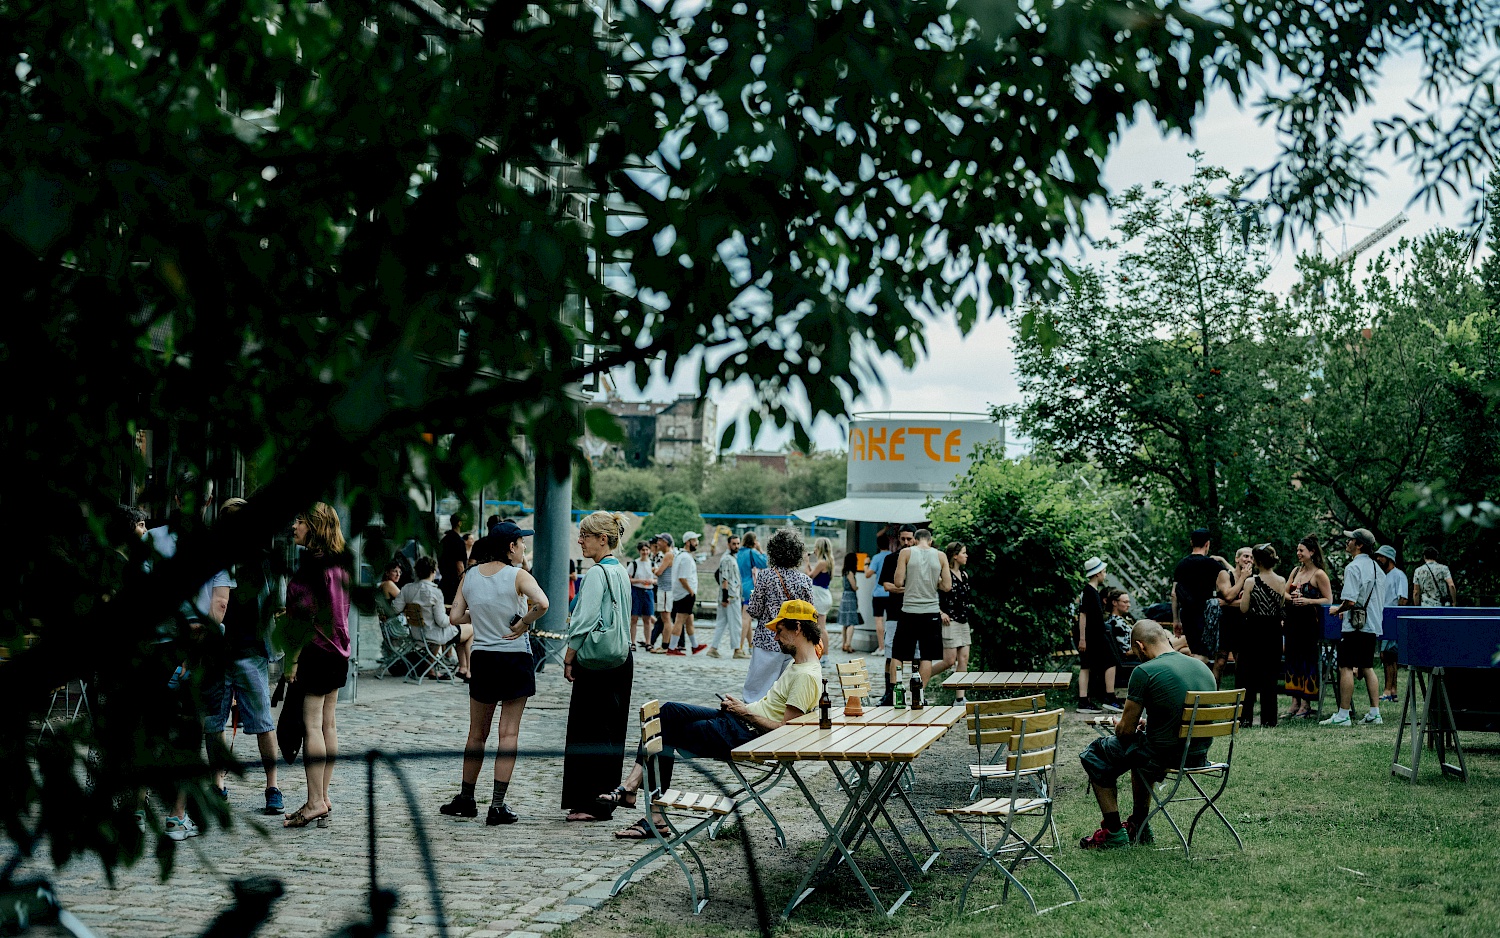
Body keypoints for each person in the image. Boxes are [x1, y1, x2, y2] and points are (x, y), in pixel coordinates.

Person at [608, 600, 823, 839]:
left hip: (745, 734)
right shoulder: (800, 665)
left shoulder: (805, 675)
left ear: (797, 628)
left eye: (780, 631)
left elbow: (786, 730)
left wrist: (744, 712)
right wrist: (741, 708)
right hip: (741, 721)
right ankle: (633, 789)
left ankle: (648, 808)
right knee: (667, 711)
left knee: (661, 731)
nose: (776, 638)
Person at [440, 521, 549, 824]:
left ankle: (466, 797)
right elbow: (542, 603)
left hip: (484, 658)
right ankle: (497, 806)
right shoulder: (518, 575)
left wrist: (481, 610)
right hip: (515, 658)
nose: (524, 548)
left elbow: (454, 616)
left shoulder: (471, 576)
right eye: (521, 543)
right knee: (508, 733)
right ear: (511, 546)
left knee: (477, 733)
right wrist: (523, 622)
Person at [1078, 621, 1217, 849]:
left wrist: (1120, 724)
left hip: (1164, 756)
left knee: (1095, 753)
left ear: (1141, 646)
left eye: (1135, 651)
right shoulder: (1201, 667)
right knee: (1139, 752)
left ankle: (1114, 833)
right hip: (1197, 754)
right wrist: (1150, 724)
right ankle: (1139, 826)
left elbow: (1124, 733)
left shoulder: (1145, 671)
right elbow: (1180, 713)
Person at [205, 497, 284, 816]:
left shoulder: (263, 560)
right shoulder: (212, 558)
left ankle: (272, 786)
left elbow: (277, 606)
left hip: (251, 652)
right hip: (218, 651)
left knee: (263, 722)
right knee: (214, 722)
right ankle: (218, 783)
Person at [281, 503, 351, 829]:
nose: (294, 526)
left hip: (317, 649)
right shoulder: (340, 565)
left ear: (314, 526)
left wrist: (291, 661)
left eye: (299, 521)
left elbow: (301, 618)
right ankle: (322, 797)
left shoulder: (312, 567)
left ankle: (314, 802)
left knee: (312, 725)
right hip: (338, 650)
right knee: (328, 724)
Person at [561, 512, 635, 822]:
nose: (579, 541)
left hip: (595, 660)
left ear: (602, 539)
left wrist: (568, 657)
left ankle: (589, 803)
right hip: (620, 657)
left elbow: (583, 620)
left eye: (584, 536)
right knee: (611, 731)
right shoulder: (621, 571)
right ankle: (605, 797)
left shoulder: (594, 574)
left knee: (586, 729)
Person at [1321, 528, 1387, 727]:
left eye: (1351, 540)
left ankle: (1343, 714)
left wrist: (1336, 610)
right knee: (1367, 666)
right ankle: (1375, 713)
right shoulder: (1378, 568)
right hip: (1372, 624)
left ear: (1359, 545)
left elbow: (1349, 601)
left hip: (1355, 625)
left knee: (1345, 666)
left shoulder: (1353, 567)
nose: (1347, 542)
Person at [744, 529, 815, 702]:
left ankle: (753, 720)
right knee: (786, 689)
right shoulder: (805, 580)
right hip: (795, 641)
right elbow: (810, 614)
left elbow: (754, 610)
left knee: (758, 690)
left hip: (768, 638)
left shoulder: (766, 576)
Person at [392, 555, 476, 680]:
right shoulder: (435, 592)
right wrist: (454, 618)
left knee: (459, 631)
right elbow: (442, 622)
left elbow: (395, 608)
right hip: (433, 635)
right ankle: (469, 671)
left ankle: (460, 667)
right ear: (433, 571)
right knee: (471, 630)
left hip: (416, 633)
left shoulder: (407, 589)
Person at [892, 528, 952, 698]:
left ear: (915, 540)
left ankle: (896, 690)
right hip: (931, 612)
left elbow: (897, 582)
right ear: (930, 541)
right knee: (927, 655)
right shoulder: (940, 556)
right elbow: (947, 586)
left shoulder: (906, 553)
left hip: (909, 610)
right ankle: (919, 694)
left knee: (898, 653)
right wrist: (934, 580)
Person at [1234, 544, 1287, 728]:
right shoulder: (1281, 581)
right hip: (1273, 631)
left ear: (1256, 562)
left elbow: (1243, 608)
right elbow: (1280, 606)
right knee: (1270, 676)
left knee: (1247, 675)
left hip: (1253, 630)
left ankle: (1245, 717)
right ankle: (1269, 718)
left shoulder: (1251, 582)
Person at [1282, 536, 1332, 719]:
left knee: (1307, 661)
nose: (1298, 553)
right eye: (1297, 550)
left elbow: (1328, 600)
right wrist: (1293, 598)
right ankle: (1294, 702)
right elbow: (1284, 593)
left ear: (1312, 552)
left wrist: (1308, 600)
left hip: (1309, 625)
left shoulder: (1319, 574)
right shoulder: (1296, 571)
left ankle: (1306, 703)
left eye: (1301, 550)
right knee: (1292, 660)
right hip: (1293, 623)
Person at [1172, 529, 1234, 663]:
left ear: (1191, 542)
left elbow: (1174, 594)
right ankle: (1191, 681)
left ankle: (1192, 681)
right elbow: (1227, 592)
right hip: (1205, 614)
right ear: (1207, 544)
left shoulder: (1181, 564)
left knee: (1194, 651)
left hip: (1186, 613)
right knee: (1203, 655)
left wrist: (1176, 620)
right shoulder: (1212, 565)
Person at [1076, 557, 1121, 714]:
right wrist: (1082, 639)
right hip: (1092, 635)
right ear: (1097, 574)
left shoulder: (1092, 591)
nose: (1105, 574)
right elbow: (1083, 615)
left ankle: (1086, 699)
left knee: (1088, 665)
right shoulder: (1089, 591)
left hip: (1094, 634)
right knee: (1110, 660)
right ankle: (1108, 697)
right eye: (1103, 571)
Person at [878, 526, 918, 705]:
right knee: (890, 653)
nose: (906, 542)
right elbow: (887, 585)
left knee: (916, 655)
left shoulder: (919, 560)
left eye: (909, 539)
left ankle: (916, 693)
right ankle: (889, 692)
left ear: (915, 539)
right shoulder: (891, 558)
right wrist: (908, 588)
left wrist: (899, 588)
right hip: (894, 612)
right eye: (903, 539)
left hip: (916, 612)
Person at [1373, 545, 1409, 703]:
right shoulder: (1381, 575)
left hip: (1392, 619)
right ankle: (1392, 690)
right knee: (1389, 657)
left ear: (1389, 558)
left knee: (1387, 655)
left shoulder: (1399, 575)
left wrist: (1397, 619)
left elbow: (1403, 598)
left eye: (1381, 556)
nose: (1378, 559)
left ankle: (1388, 690)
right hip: (1381, 619)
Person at [938, 542, 973, 702]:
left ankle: (960, 698)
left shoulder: (964, 575)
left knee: (963, 659)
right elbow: (933, 596)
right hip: (949, 621)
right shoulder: (943, 575)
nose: (966, 556)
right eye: (963, 553)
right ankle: (922, 679)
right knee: (949, 661)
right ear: (955, 555)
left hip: (963, 620)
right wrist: (940, 612)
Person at [1212, 548, 1253, 682]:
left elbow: (1248, 603)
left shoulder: (1252, 580)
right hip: (1225, 623)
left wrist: (1226, 603)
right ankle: (1213, 696)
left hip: (1243, 624)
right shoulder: (1225, 575)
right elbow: (1229, 595)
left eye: (1251, 558)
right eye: (1246, 556)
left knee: (1241, 662)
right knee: (1220, 662)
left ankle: (1241, 698)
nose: (1248, 560)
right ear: (1237, 559)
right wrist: (1242, 578)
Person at [667, 531, 704, 655]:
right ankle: (672, 648)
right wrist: (691, 591)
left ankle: (694, 645)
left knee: (689, 620)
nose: (696, 543)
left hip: (681, 594)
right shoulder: (686, 558)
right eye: (694, 541)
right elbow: (682, 578)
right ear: (688, 542)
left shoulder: (680, 555)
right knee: (679, 620)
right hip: (686, 594)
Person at [708, 534, 742, 658]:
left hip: (729, 595)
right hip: (731, 597)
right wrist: (725, 596)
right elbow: (724, 578)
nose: (736, 546)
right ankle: (737, 649)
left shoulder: (729, 558)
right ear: (729, 545)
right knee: (736, 623)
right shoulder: (728, 559)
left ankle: (713, 648)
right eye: (734, 543)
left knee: (721, 623)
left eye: (738, 543)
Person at [735, 531, 767, 659]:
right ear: (754, 541)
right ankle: (739, 647)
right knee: (746, 617)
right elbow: (764, 563)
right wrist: (760, 550)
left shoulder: (739, 553)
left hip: (739, 586)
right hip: (750, 587)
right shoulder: (751, 552)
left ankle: (750, 646)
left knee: (745, 617)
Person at [866, 533, 892, 666]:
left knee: (879, 621)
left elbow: (868, 574)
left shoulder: (876, 558)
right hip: (891, 592)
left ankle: (881, 647)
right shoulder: (892, 556)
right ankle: (889, 646)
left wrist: (866, 564)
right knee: (890, 621)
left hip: (878, 592)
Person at [626, 540, 657, 649]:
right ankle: (632, 642)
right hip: (637, 591)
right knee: (634, 618)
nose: (645, 552)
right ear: (639, 551)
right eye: (643, 550)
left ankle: (648, 642)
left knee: (647, 618)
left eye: (646, 550)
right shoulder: (634, 564)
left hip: (648, 591)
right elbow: (627, 579)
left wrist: (651, 581)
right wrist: (639, 581)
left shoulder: (652, 564)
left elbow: (656, 578)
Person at [437, 512, 470, 605]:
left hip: (444, 582)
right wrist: (464, 584)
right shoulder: (458, 541)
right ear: (459, 523)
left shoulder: (444, 540)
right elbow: (459, 566)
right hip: (454, 585)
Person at [650, 533, 675, 652]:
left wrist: (654, 569)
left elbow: (659, 572)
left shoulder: (668, 555)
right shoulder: (668, 554)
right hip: (665, 589)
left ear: (665, 542)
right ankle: (665, 644)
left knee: (666, 618)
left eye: (660, 541)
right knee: (665, 618)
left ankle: (665, 645)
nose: (657, 543)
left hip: (665, 590)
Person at [807, 536, 835, 637]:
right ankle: (822, 651)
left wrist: (806, 562)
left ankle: (826, 652)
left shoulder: (822, 562)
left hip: (820, 596)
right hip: (823, 594)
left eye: (816, 547)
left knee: (821, 628)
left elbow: (810, 575)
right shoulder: (827, 562)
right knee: (820, 627)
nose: (814, 550)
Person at [1103, 589, 1136, 667]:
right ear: (1114, 603)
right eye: (1125, 602)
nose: (1129, 605)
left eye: (1129, 602)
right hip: (1129, 660)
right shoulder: (1116, 623)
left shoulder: (1118, 620)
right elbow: (1126, 652)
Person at [838, 551, 862, 654]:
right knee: (851, 622)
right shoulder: (850, 573)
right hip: (850, 597)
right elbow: (854, 586)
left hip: (844, 596)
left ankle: (844, 644)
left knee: (845, 623)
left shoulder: (844, 572)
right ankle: (848, 643)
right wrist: (857, 587)